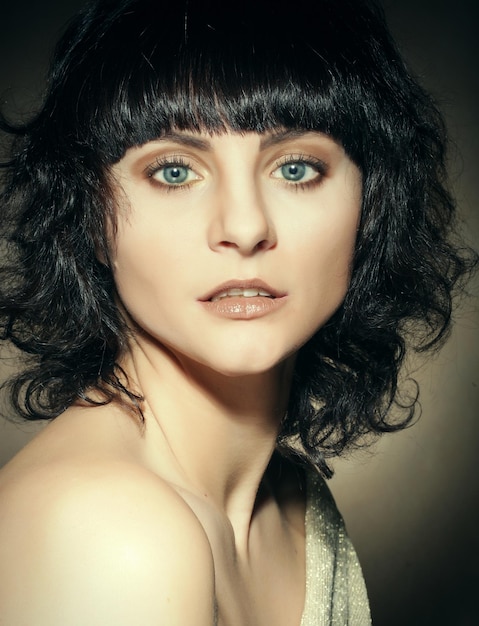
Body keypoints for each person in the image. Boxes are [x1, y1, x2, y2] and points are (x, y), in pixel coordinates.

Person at [0, 0, 475, 623]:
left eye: (296, 167)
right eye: (174, 171)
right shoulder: (110, 532)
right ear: (87, 214)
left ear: (371, 202)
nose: (246, 227)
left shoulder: (296, 500)